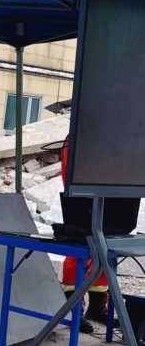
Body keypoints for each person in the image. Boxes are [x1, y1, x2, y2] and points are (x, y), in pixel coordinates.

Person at [59, 138, 109, 333]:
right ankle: (73, 309)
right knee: (79, 247)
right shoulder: (78, 137)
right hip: (83, 191)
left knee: (104, 247)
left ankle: (97, 306)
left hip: (109, 188)